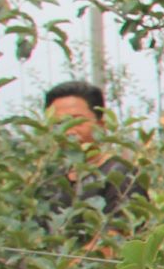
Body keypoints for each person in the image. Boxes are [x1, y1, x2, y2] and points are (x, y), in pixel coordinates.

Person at [42, 81, 143, 220]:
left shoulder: (119, 175)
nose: (69, 131)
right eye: (59, 124)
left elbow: (117, 236)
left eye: (77, 121)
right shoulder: (50, 180)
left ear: (100, 125)